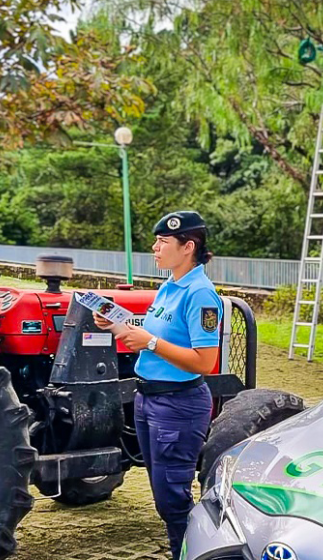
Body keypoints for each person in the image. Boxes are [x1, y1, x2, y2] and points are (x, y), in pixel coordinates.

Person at [94, 210, 222, 559]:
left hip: (177, 404)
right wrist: (115, 325)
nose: (155, 247)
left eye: (163, 242)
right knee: (163, 493)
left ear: (188, 247)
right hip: (148, 399)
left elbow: (204, 362)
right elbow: (150, 337)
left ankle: (190, 553)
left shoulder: (200, 295)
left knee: (173, 498)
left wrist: (149, 342)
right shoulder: (169, 287)